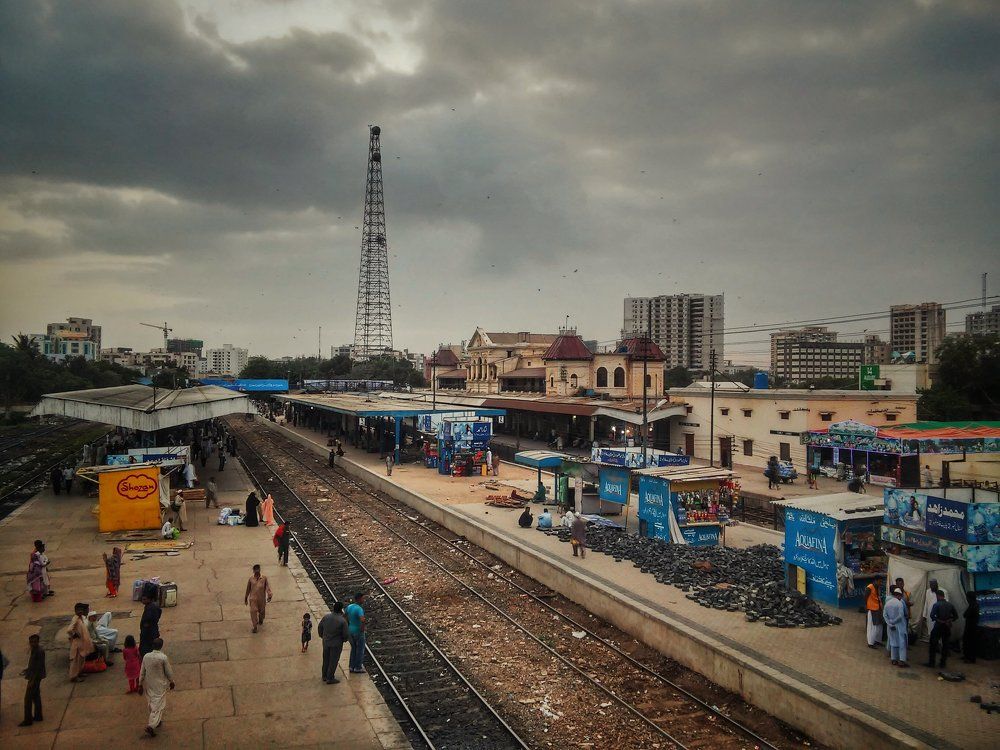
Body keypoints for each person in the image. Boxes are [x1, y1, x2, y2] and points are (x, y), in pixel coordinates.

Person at [138, 638, 175, 737]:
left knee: (151, 702)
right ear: (161, 646)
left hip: (149, 683)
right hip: (159, 685)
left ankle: (156, 721)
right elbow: (168, 672)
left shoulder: (146, 656)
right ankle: (151, 725)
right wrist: (172, 681)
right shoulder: (163, 658)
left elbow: (142, 671)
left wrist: (140, 684)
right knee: (159, 705)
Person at [318, 601, 349, 684]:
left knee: (326, 659)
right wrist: (344, 640)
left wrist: (322, 636)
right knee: (333, 660)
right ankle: (330, 678)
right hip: (336, 644)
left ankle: (324, 676)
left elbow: (320, 627)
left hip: (326, 642)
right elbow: (345, 634)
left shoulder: (326, 617)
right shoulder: (342, 621)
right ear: (341, 610)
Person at [18, 634, 46, 727]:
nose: (32, 644)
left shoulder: (39, 651)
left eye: (34, 642)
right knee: (36, 696)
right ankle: (38, 715)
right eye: (31, 642)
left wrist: (32, 681)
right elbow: (33, 664)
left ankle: (28, 719)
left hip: (35, 678)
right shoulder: (34, 650)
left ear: (38, 641)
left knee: (28, 699)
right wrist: (27, 670)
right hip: (34, 676)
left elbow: (38, 667)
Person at [927, 589, 958, 668]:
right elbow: (956, 616)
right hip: (947, 627)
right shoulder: (950, 605)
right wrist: (949, 620)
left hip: (938, 626)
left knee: (933, 644)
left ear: (937, 596)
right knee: (945, 645)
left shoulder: (936, 605)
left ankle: (932, 662)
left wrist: (940, 621)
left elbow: (932, 616)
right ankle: (943, 663)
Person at [67, 602, 93, 682]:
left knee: (81, 660)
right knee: (76, 661)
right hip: (77, 644)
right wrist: (74, 635)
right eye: (87, 610)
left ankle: (79, 672)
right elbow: (69, 630)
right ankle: (74, 676)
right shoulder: (76, 618)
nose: (88, 611)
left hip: (82, 643)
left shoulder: (81, 618)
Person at [883, 587, 909, 667]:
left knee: (893, 642)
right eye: (900, 595)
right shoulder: (900, 603)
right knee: (902, 643)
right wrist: (894, 621)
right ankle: (902, 661)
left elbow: (884, 615)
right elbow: (901, 616)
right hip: (900, 626)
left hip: (891, 626)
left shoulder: (888, 603)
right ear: (898, 595)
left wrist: (890, 624)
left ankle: (893, 659)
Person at [244, 564, 272, 633]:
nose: (257, 572)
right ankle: (255, 626)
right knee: (253, 611)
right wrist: (246, 597)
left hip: (261, 599)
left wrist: (269, 595)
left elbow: (267, 587)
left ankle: (261, 619)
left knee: (262, 612)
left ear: (259, 570)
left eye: (258, 570)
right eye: (255, 570)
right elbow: (248, 589)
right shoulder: (251, 579)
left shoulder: (264, 578)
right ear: (253, 571)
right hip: (253, 599)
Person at [346, 592, 367, 674]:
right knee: (360, 650)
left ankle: (351, 666)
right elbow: (362, 620)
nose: (363, 600)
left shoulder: (349, 606)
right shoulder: (359, 609)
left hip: (350, 631)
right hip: (358, 632)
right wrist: (362, 628)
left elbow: (345, 616)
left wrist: (348, 625)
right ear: (359, 599)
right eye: (363, 598)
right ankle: (358, 667)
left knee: (353, 649)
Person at [139, 593, 162, 657]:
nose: (142, 601)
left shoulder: (150, 608)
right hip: (152, 630)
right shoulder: (152, 606)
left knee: (146, 648)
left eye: (144, 599)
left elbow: (147, 619)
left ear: (149, 599)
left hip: (148, 632)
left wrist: (146, 625)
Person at [864, 580, 884, 647]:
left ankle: (877, 640)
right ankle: (870, 643)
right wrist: (867, 607)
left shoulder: (878, 588)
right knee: (872, 626)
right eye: (879, 581)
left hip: (878, 609)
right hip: (872, 609)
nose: (880, 583)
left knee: (879, 626)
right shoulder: (870, 587)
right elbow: (865, 597)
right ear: (875, 581)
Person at [963, 590, 980, 664]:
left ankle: (971, 658)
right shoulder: (974, 604)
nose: (966, 599)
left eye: (967, 597)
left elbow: (965, 614)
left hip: (971, 627)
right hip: (972, 626)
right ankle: (967, 656)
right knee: (968, 641)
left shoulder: (973, 605)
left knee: (970, 642)